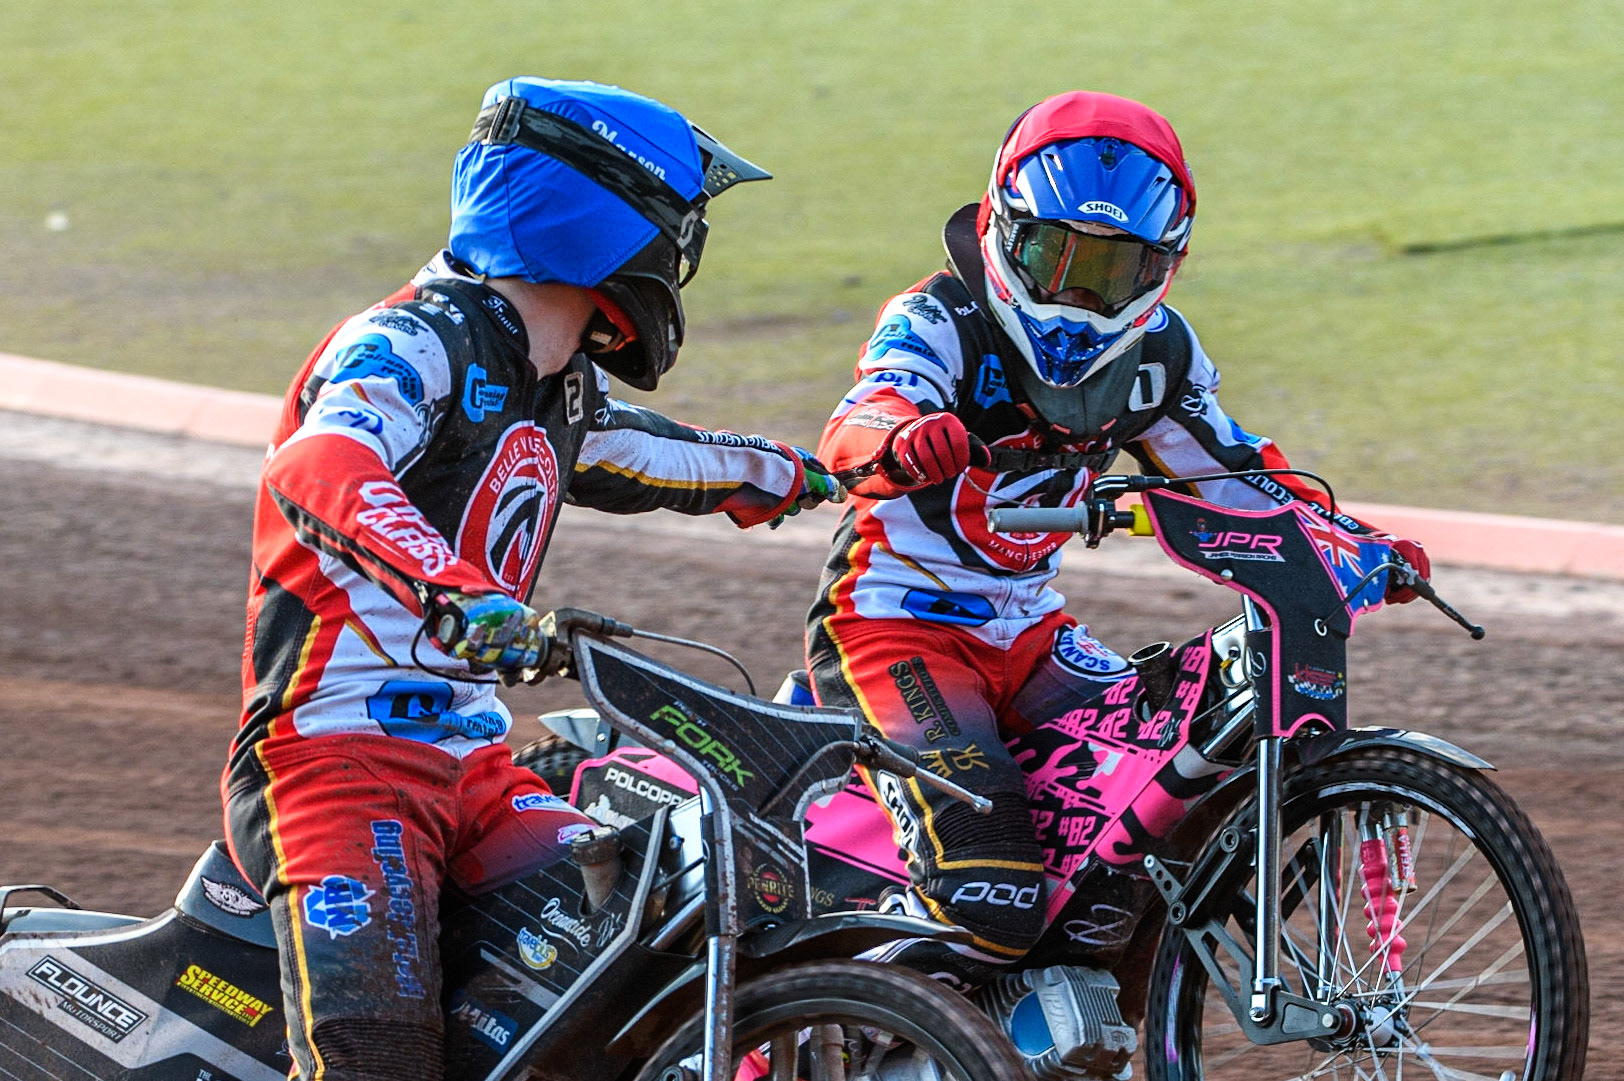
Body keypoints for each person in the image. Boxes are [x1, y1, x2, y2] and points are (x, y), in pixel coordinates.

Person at [222, 77, 840, 1081]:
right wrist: (456, 590)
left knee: (644, 949)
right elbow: (318, 464)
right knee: (376, 1062)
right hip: (335, 760)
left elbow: (666, 457)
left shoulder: (549, 383)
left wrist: (814, 474)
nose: (681, 255)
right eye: (675, 225)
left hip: (471, 769)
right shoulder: (410, 340)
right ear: (607, 218)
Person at [805, 90, 1430, 988]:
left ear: (1160, 269)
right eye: (1052, 255)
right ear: (999, 227)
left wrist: (1360, 539)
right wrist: (899, 439)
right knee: (990, 890)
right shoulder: (937, 317)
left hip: (1034, 638)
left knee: (1174, 812)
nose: (1071, 291)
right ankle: (808, 1001)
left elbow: (1239, 473)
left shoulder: (1160, 355)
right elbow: (858, 420)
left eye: (1107, 270)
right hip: (890, 630)